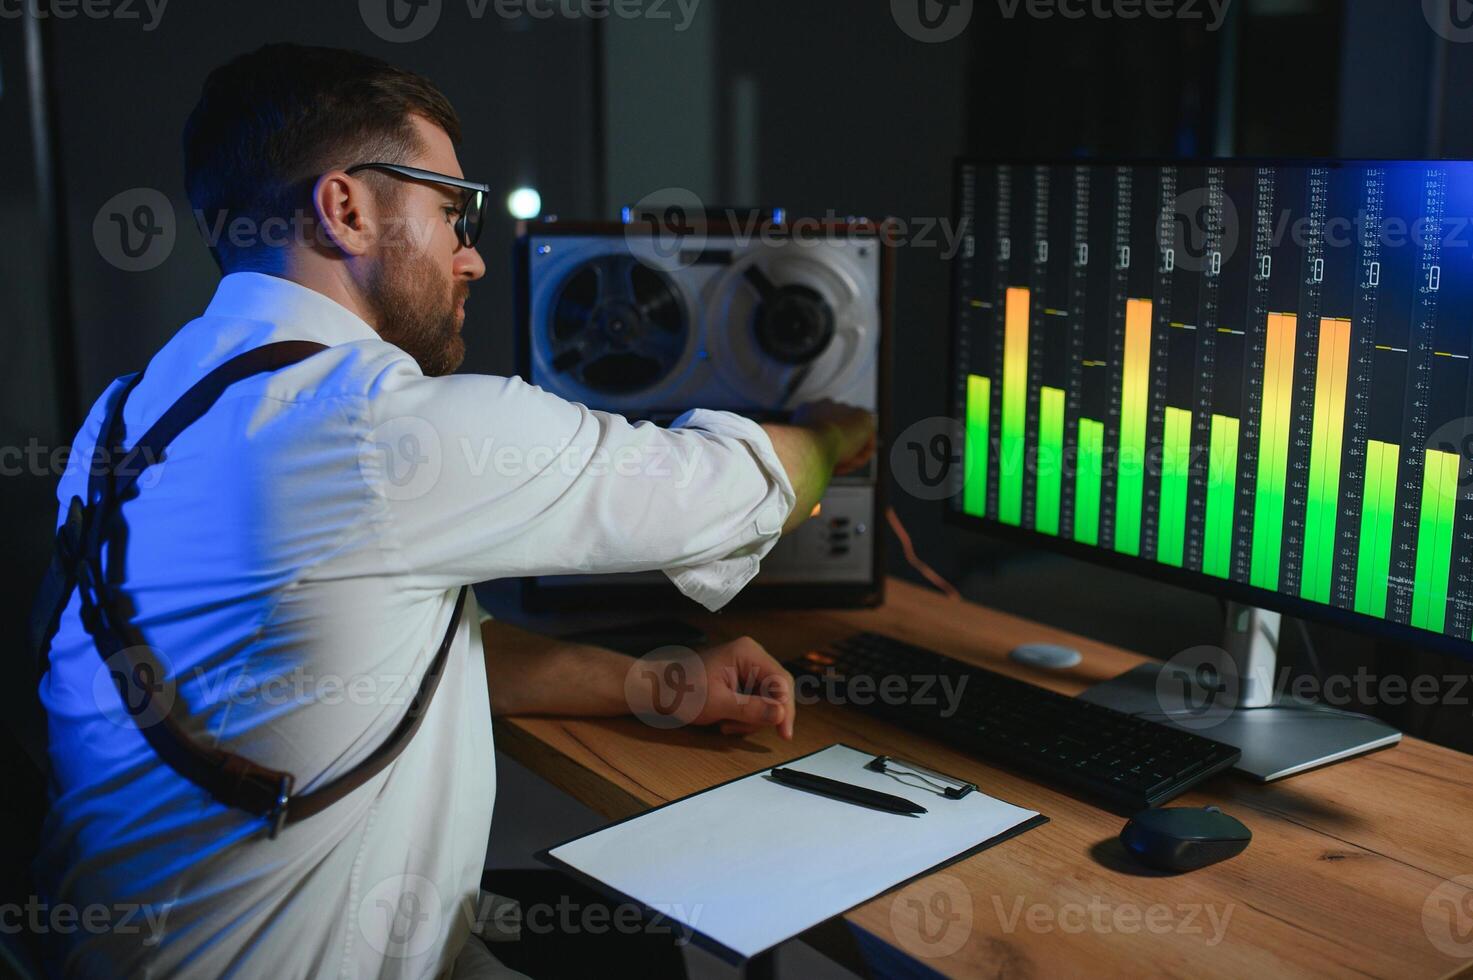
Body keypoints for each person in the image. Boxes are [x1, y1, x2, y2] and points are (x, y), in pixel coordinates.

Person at [32, 43, 875, 978]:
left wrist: (659, 685)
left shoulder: (128, 414)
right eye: (449, 211)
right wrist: (832, 434)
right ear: (346, 207)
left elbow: (380, 656)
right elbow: (731, 484)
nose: (471, 256)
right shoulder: (378, 431)